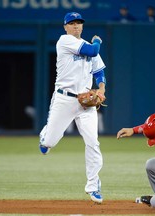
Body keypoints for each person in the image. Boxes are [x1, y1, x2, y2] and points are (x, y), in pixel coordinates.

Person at [39, 12, 107, 204]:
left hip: (86, 103)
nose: (76, 26)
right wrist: (98, 42)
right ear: (65, 27)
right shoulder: (65, 41)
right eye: (72, 23)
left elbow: (99, 70)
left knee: (93, 142)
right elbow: (93, 51)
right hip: (64, 99)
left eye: (79, 23)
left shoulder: (87, 44)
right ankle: (45, 136)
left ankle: (93, 186)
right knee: (50, 142)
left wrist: (101, 89)